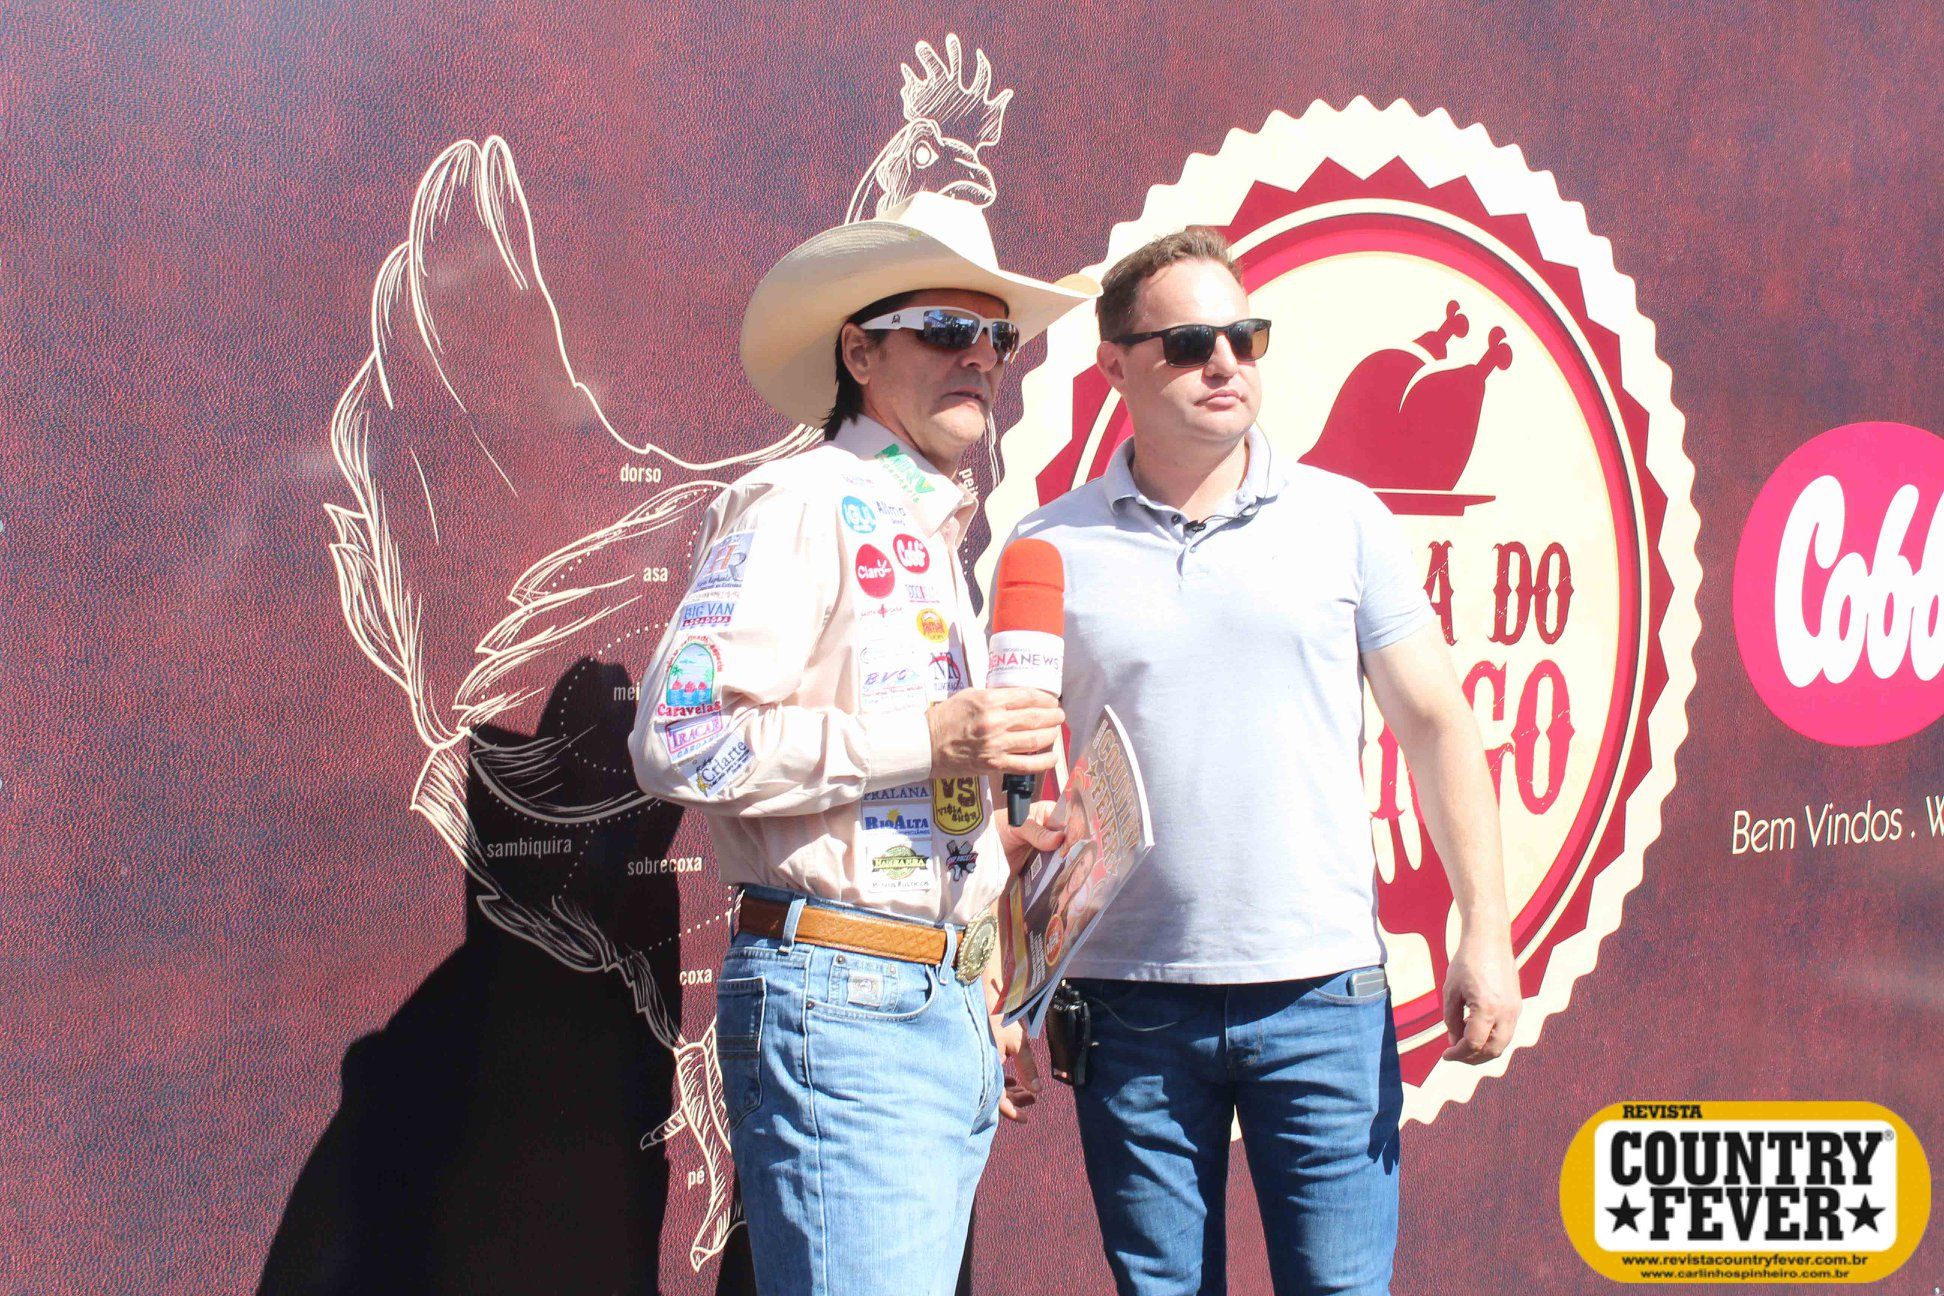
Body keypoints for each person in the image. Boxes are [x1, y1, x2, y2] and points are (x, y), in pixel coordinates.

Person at [1007, 227, 1522, 1295]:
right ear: (1114, 368)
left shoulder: (1345, 519)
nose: (1225, 362)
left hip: (1323, 998)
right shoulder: (1049, 547)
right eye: (1190, 342)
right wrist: (1006, 987)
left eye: (1244, 336)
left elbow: (1437, 724)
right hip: (1129, 1004)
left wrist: (1486, 929)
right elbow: (1004, 787)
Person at [628, 191, 1092, 1296]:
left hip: (937, 1000)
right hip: (845, 999)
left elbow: (891, 804)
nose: (979, 357)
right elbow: (677, 738)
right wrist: (929, 736)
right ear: (860, 352)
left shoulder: (934, 534)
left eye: (997, 337)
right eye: (946, 329)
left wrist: (998, 882)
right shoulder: (799, 501)